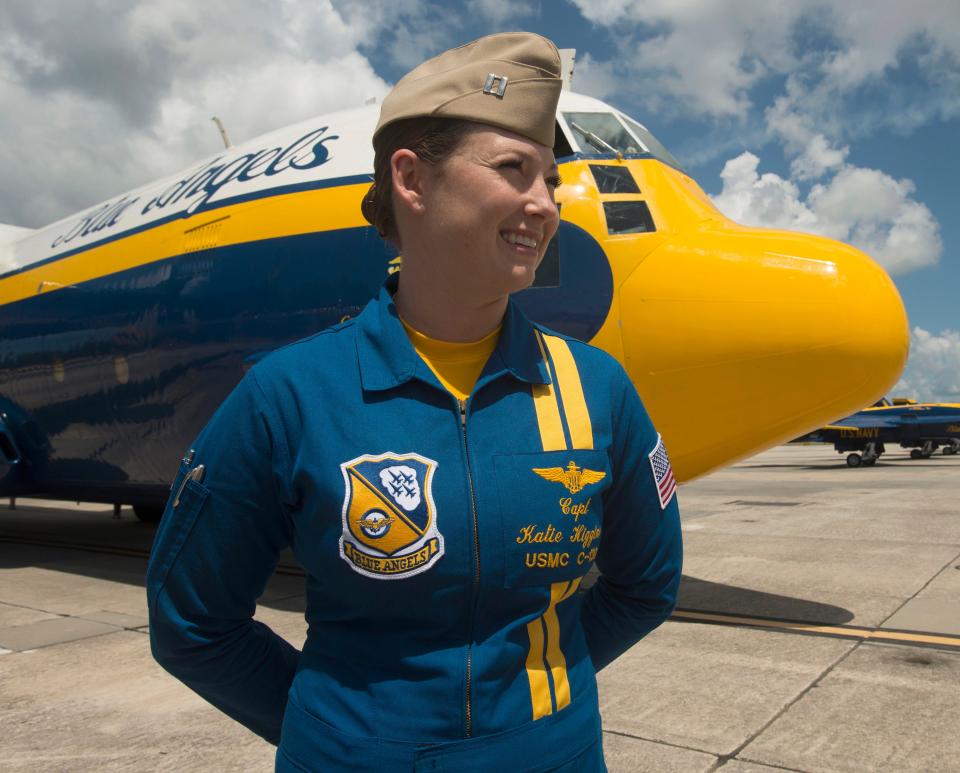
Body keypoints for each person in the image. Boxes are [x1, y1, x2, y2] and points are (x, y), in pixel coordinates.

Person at [147, 31, 682, 772]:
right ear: (412, 179)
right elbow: (192, 624)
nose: (545, 204)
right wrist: (337, 731)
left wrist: (535, 705)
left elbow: (647, 585)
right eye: (514, 170)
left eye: (549, 182)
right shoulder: (287, 395)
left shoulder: (597, 390)